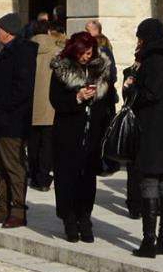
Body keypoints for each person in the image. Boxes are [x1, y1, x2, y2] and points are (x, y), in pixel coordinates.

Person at [125, 18, 163, 258]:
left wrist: (132, 89)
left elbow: (150, 93)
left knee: (150, 180)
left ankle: (149, 240)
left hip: (152, 127)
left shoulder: (152, 61)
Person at [49, 30, 116, 242]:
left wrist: (98, 97)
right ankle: (69, 219)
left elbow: (109, 100)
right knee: (66, 178)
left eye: (89, 52)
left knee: (88, 179)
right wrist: (77, 97)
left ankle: (85, 218)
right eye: (83, 53)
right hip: (68, 133)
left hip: (93, 135)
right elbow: (55, 101)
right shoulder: (62, 70)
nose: (86, 56)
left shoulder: (101, 69)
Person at [0, 13, 33, 228]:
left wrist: (2, 107)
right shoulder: (7, 51)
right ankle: (3, 207)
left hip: (12, 120)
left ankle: (17, 210)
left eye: (0, 29)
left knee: (14, 166)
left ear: (9, 31)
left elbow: (22, 88)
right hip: (1, 119)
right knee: (2, 165)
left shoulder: (22, 52)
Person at [28, 16, 62, 191]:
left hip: (30, 103)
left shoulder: (26, 50)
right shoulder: (56, 52)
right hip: (50, 102)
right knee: (47, 143)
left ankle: (33, 175)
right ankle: (43, 178)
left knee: (32, 142)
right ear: (49, 31)